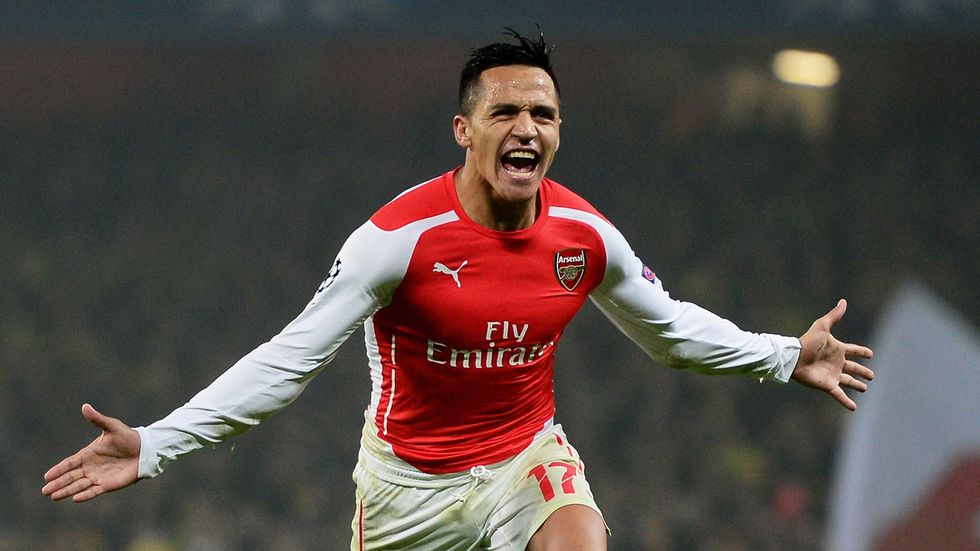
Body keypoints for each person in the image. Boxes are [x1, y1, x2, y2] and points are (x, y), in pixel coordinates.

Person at [42, 29, 875, 550]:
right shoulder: (396, 239)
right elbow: (288, 361)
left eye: (543, 115)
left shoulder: (584, 236)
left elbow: (668, 329)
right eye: (507, 111)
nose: (527, 128)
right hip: (409, 488)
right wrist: (157, 444)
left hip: (526, 459)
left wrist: (781, 355)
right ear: (464, 130)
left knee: (580, 540)